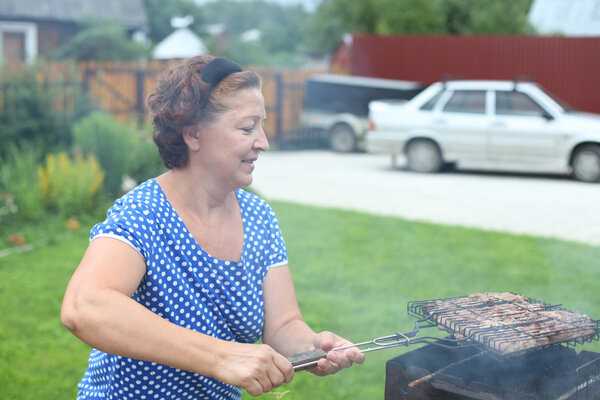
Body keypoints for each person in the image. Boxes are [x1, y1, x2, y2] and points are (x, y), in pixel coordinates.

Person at [60, 55, 364, 400]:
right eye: (247, 127)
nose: (263, 141)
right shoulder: (143, 213)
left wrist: (313, 346)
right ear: (193, 134)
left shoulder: (259, 217)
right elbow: (84, 306)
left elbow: (282, 325)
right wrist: (221, 357)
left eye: (262, 126)